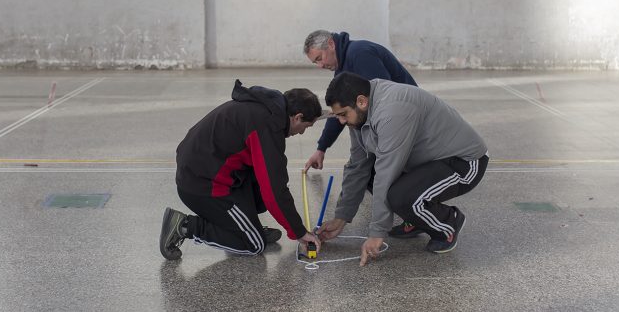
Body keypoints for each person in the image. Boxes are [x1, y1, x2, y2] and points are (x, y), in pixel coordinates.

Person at [317, 72, 488, 266]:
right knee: (371, 177)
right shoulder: (360, 114)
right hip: (426, 161)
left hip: (463, 162)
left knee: (401, 197)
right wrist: (341, 217)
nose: (341, 121)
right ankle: (417, 218)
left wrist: (377, 233)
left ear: (362, 101)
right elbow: (358, 165)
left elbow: (386, 172)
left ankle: (448, 223)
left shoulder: (393, 110)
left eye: (343, 114)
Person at [160, 80, 323, 260]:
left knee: (268, 182)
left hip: (204, 171)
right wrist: (299, 232)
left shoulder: (266, 107)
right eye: (306, 127)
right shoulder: (267, 124)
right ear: (297, 117)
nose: (301, 133)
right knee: (254, 244)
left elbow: (275, 173)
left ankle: (245, 227)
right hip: (203, 186)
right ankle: (184, 226)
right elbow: (274, 189)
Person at [302, 30, 417, 174]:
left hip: (407, 114)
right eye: (315, 62)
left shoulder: (360, 54)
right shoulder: (342, 68)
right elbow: (339, 111)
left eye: (319, 58)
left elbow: (384, 98)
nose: (320, 65)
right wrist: (321, 149)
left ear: (331, 44)